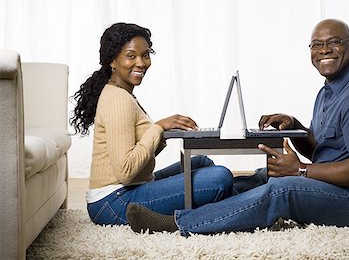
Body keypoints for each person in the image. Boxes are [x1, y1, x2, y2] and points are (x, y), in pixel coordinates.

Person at [125, 18, 349, 235]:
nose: (324, 50)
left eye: (333, 42)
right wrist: (294, 126)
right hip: (344, 188)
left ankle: (178, 224)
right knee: (265, 176)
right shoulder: (330, 91)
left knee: (283, 189)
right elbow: (324, 151)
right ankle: (200, 211)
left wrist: (298, 170)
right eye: (317, 45)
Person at [70, 22, 234, 226]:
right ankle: (248, 199)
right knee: (219, 178)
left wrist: (165, 132)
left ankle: (247, 195)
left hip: (126, 190)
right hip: (114, 203)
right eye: (131, 56)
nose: (141, 63)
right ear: (112, 60)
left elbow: (137, 155)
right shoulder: (118, 100)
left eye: (145, 55)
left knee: (201, 163)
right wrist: (157, 128)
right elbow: (126, 171)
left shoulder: (121, 93)